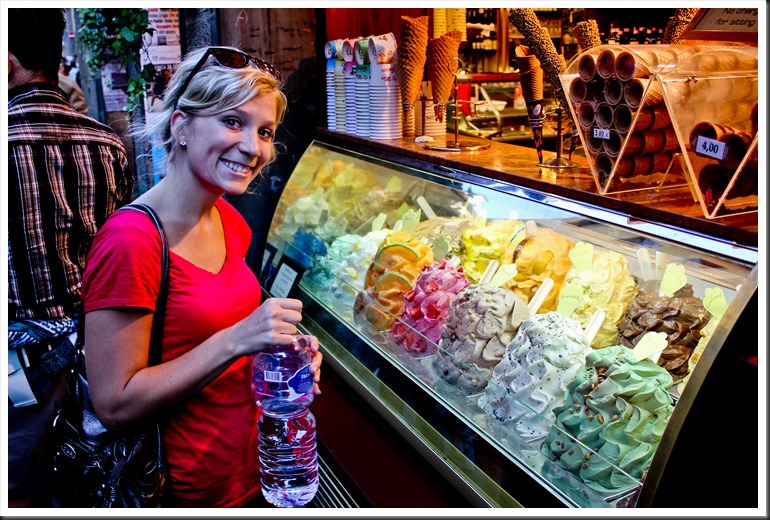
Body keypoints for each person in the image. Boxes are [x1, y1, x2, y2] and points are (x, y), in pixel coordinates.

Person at [80, 45, 323, 508]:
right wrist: (236, 339)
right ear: (181, 126)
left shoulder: (228, 219)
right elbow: (114, 404)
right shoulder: (130, 240)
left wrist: (283, 353)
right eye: (232, 121)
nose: (253, 147)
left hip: (255, 470)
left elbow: (219, 335)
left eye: (264, 131)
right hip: (182, 491)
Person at [7, 8, 134, 508]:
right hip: (100, 357)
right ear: (59, 52)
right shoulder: (108, 145)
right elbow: (124, 250)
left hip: (20, 370)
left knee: (21, 489)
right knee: (92, 483)